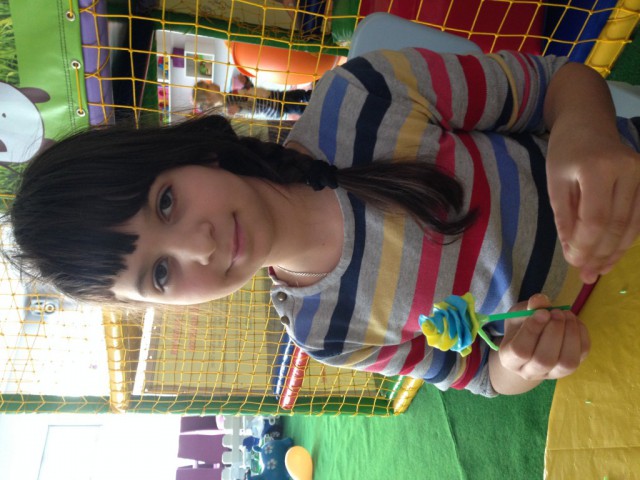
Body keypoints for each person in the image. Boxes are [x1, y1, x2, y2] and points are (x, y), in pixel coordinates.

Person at [8, 48, 640, 397]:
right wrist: (524, 363)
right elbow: (479, 375)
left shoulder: (362, 96)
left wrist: (585, 131)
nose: (198, 247)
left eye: (166, 202)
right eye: (162, 274)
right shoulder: (326, 333)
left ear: (188, 153)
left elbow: (555, 84)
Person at [192, 78, 312, 119]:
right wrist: (239, 109)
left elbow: (249, 92)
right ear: (208, 98)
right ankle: (315, 110)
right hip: (273, 106)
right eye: (208, 86)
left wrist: (246, 82)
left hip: (273, 96)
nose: (211, 83)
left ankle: (312, 96)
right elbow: (251, 107)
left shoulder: (228, 95)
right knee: (299, 107)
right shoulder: (228, 107)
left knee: (299, 94)